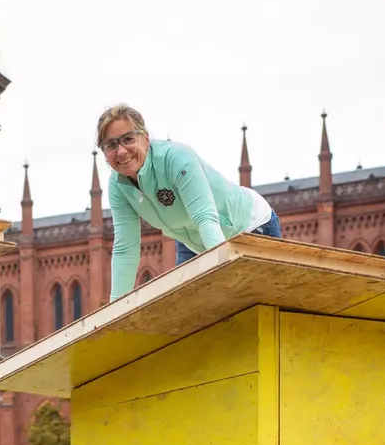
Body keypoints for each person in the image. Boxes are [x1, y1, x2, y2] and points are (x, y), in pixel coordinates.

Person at [95, 104, 282, 301]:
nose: (121, 151)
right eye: (111, 145)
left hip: (249, 226)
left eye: (128, 139)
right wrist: (115, 308)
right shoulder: (118, 186)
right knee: (187, 309)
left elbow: (205, 217)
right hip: (192, 243)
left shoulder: (176, 158)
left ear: (146, 138)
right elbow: (126, 247)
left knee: (250, 304)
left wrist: (222, 271)